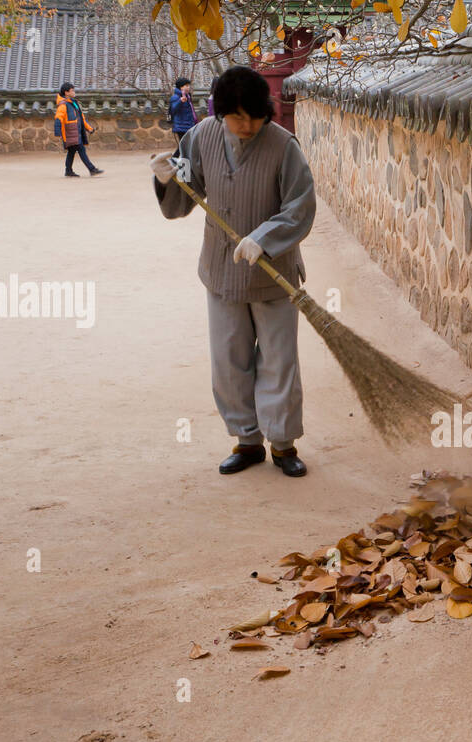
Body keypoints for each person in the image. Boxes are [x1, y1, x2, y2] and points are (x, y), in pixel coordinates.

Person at [150, 66, 315, 478]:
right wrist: (166, 179)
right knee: (229, 358)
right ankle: (246, 441)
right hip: (222, 271)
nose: (247, 125)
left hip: (272, 272)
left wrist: (266, 237)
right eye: (237, 117)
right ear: (220, 112)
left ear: (266, 113)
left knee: (278, 360)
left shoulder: (283, 146)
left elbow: (301, 205)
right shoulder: (201, 137)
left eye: (255, 117)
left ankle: (282, 444)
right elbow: (182, 199)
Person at [54, 83, 103, 178]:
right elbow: (58, 118)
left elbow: (81, 118)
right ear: (66, 92)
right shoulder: (63, 105)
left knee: (71, 152)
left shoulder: (73, 103)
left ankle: (68, 171)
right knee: (81, 150)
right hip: (71, 133)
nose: (74, 92)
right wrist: (58, 131)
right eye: (72, 90)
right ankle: (92, 169)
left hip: (76, 133)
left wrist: (89, 128)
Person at [168, 76, 199, 146]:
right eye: (186, 86)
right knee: (184, 146)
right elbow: (173, 110)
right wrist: (180, 101)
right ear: (181, 87)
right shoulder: (175, 97)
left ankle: (178, 157)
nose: (188, 87)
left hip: (189, 124)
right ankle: (174, 157)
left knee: (186, 146)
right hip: (181, 126)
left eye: (189, 86)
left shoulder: (188, 96)